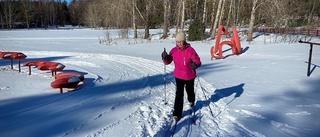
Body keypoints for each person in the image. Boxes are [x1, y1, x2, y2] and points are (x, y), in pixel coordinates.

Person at [161, 30, 201, 120]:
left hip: (190, 75)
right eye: (177, 42)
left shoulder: (190, 50)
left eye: (180, 41)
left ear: (184, 41)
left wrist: (195, 64)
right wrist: (164, 57)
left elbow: (198, 60)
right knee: (179, 93)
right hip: (179, 75)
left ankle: (191, 100)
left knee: (189, 90)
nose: (179, 43)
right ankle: (177, 113)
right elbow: (167, 61)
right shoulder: (174, 50)